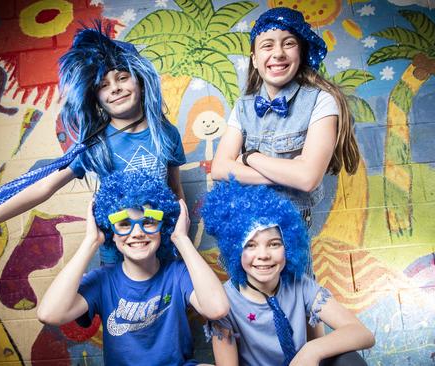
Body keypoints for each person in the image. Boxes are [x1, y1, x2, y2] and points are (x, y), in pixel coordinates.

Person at [0, 25, 185, 269]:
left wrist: (182, 243)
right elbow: (39, 188)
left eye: (123, 77)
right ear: (94, 97)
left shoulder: (166, 133)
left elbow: (176, 193)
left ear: (141, 81)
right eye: (104, 84)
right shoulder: (94, 145)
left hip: (162, 246)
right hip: (117, 253)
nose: (116, 88)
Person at [37, 171, 229, 365]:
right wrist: (90, 241)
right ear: (110, 231)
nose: (137, 232)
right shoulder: (103, 281)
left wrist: (181, 239)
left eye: (148, 222)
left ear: (163, 227)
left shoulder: (177, 273)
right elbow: (49, 314)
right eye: (124, 224)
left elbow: (217, 309)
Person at [210, 7, 360, 228]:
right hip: (246, 221)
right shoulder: (243, 106)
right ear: (254, 59)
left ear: (301, 52)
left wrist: (249, 158)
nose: (278, 53)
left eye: (288, 43)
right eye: (267, 45)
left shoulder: (322, 101)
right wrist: (289, 174)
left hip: (292, 223)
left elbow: (308, 179)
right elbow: (219, 168)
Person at [201, 180, 374, 366]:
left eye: (274, 244)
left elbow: (363, 334)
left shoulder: (299, 284)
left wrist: (312, 350)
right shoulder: (224, 301)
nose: (263, 255)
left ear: (288, 247)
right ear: (235, 250)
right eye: (250, 245)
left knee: (349, 360)